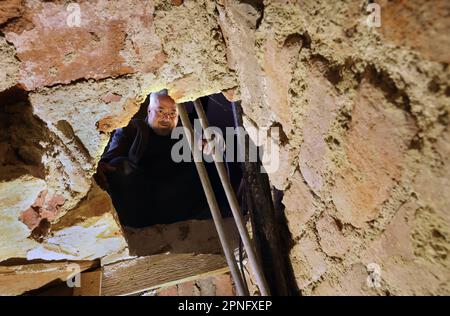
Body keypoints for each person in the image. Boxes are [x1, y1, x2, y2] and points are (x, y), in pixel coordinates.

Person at [94, 89, 231, 228]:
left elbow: (212, 141)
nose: (167, 117)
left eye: (172, 113)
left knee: (209, 161)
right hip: (143, 204)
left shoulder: (186, 132)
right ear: (149, 110)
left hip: (178, 203)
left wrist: (216, 142)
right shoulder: (133, 129)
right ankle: (136, 229)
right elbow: (112, 156)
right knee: (118, 166)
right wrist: (101, 166)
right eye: (161, 111)